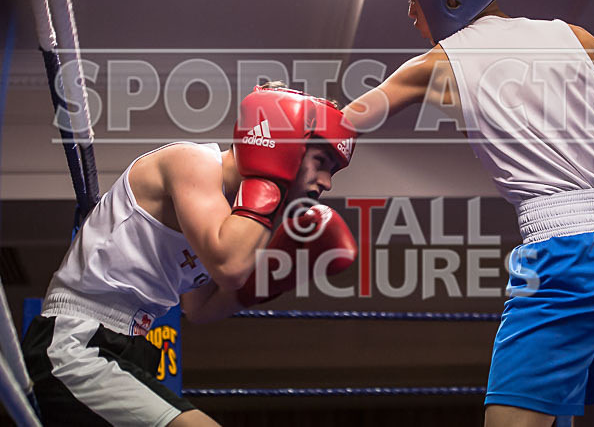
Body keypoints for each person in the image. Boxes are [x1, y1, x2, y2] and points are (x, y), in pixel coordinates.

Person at [342, 0, 594, 427]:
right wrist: (590, 155)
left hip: (565, 253)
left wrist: (266, 127)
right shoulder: (575, 36)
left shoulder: (436, 64)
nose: (410, 14)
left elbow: (341, 125)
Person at [22, 84, 358, 426]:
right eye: (321, 162)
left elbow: (199, 309)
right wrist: (270, 187)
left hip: (129, 345)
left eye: (332, 170)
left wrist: (276, 278)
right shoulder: (192, 163)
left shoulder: (230, 219)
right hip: (77, 340)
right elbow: (230, 266)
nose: (327, 182)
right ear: (284, 146)